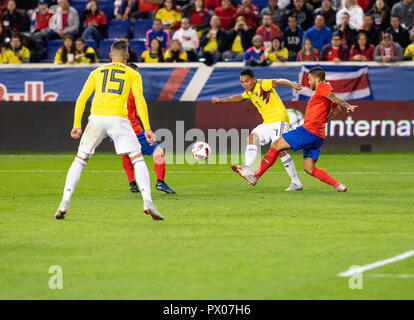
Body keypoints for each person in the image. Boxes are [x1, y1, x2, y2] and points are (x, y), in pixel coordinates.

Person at [55, 40, 164, 221]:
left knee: (80, 159)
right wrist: (147, 128)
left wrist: (76, 124)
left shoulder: (96, 72)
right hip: (118, 118)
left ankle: (64, 202)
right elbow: (139, 100)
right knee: (137, 159)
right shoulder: (133, 73)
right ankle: (147, 202)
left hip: (96, 117)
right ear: (127, 57)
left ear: (111, 56)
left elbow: (81, 99)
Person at [231, 67, 357, 192]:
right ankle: (338, 185)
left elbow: (335, 99)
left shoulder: (322, 87)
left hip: (308, 131)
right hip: (318, 136)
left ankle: (255, 176)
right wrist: (323, 121)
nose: (308, 82)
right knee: (309, 168)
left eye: (310, 79)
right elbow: (336, 110)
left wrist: (347, 105)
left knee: (276, 145)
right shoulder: (324, 93)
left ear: (317, 79)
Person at [211, 69, 303, 191]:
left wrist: (291, 84)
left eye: (247, 81)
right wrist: (221, 100)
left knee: (280, 150)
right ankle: (248, 168)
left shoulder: (262, 84)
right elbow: (239, 97)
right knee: (252, 138)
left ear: (253, 80)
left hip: (279, 121)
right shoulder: (249, 92)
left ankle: (296, 182)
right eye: (242, 82)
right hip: (267, 123)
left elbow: (278, 81)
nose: (244, 84)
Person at [120, 62, 176, 194]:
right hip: (133, 128)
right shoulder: (134, 90)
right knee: (158, 152)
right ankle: (160, 182)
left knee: (127, 152)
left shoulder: (117, 89)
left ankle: (132, 183)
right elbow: (140, 111)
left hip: (117, 127)